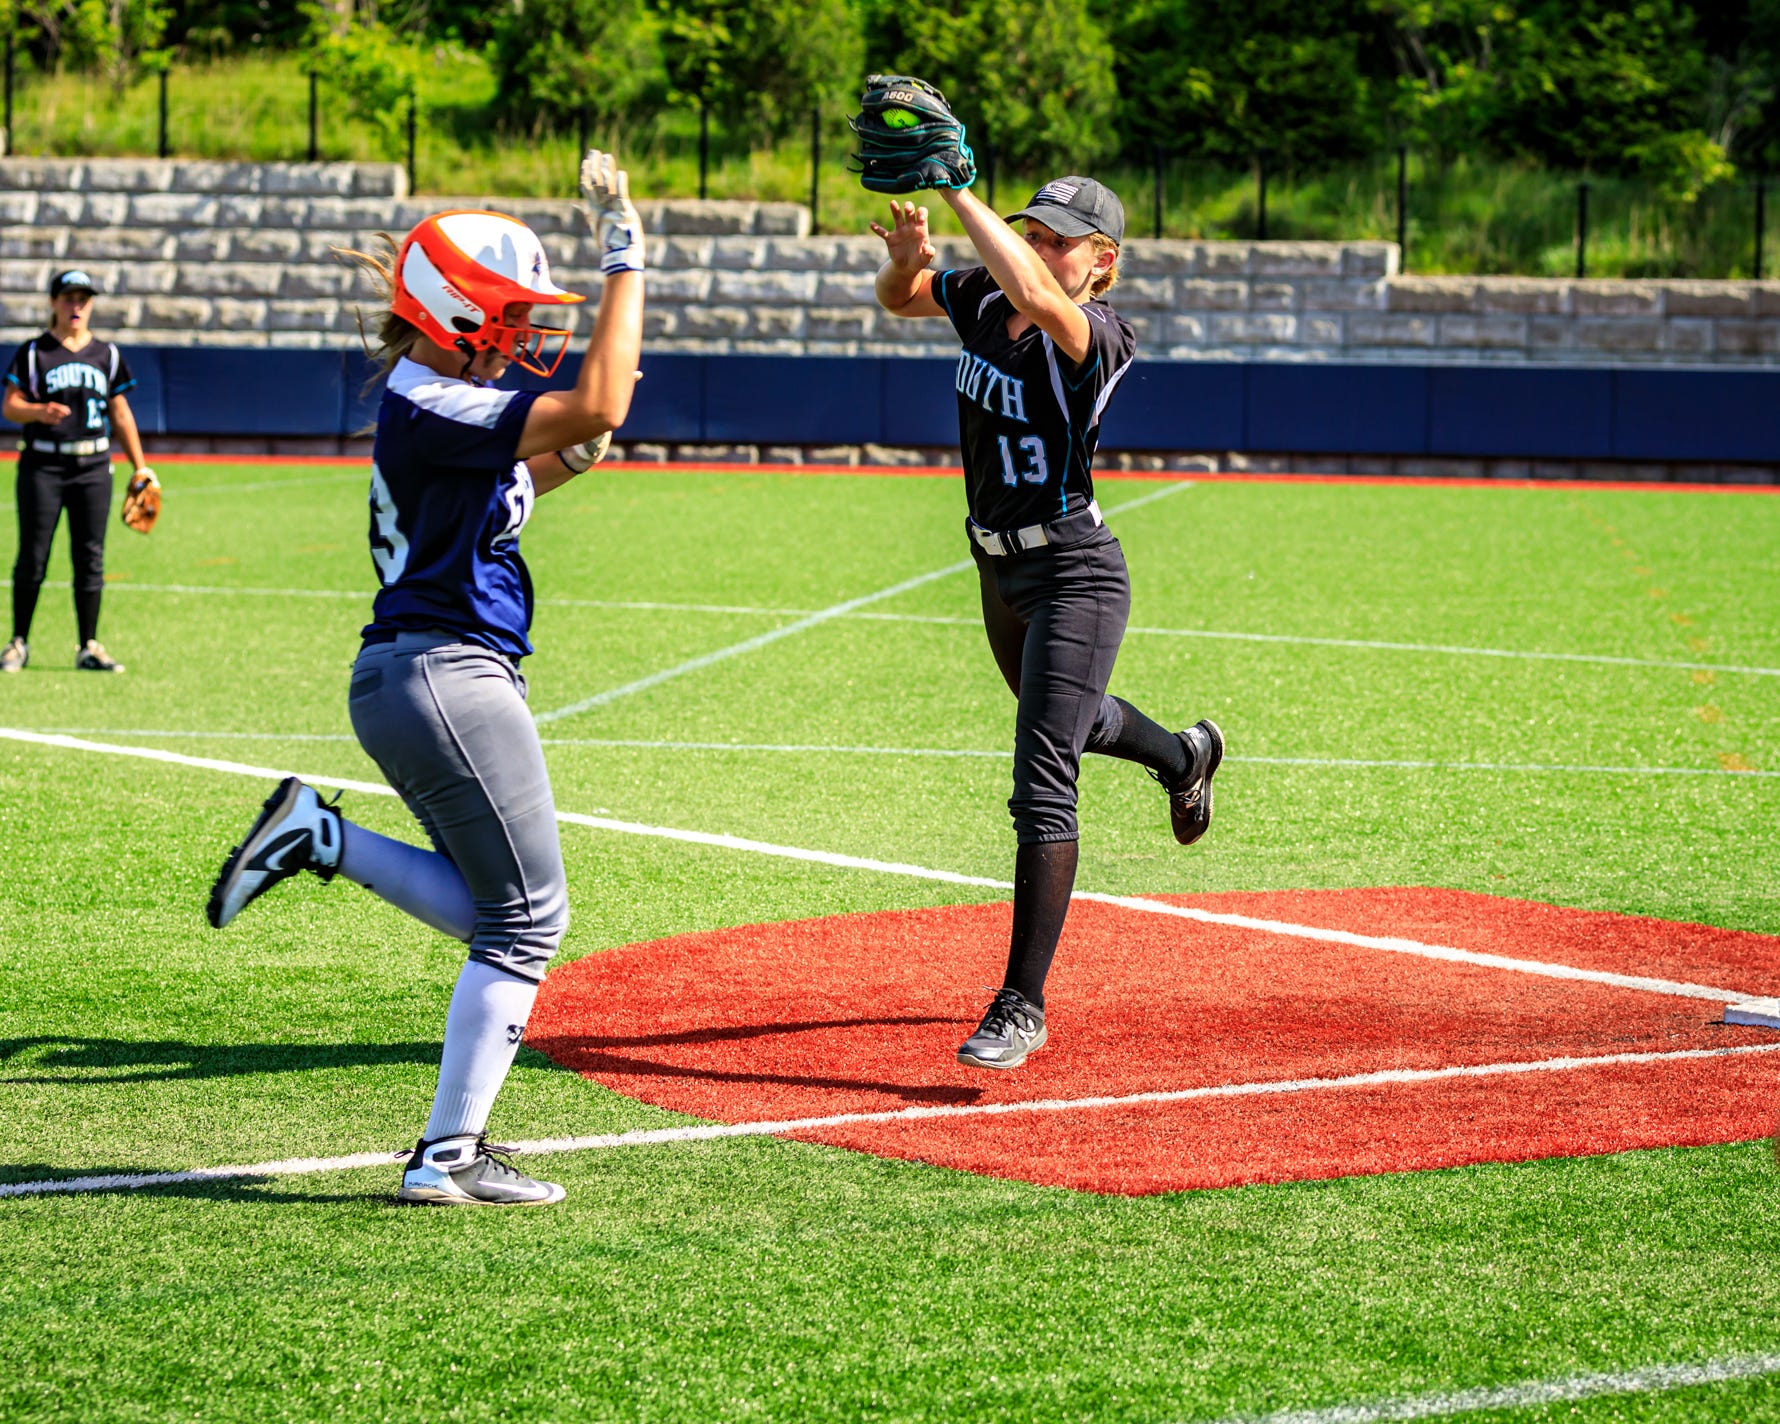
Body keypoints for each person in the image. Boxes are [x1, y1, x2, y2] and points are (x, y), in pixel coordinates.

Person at [203, 152, 646, 1207]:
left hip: (418, 675)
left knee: (500, 910)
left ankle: (321, 836)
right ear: (455, 314)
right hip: (447, 672)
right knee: (529, 921)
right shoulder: (433, 398)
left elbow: (526, 468)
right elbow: (597, 398)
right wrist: (627, 247)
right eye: (511, 315)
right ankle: (446, 1155)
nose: (527, 333)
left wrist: (571, 453)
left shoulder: (430, 397)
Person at [871, 175, 1223, 1071]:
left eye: (1058, 238)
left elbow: (1032, 289)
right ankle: (1186, 756)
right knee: (1069, 717)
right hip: (998, 566)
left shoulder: (1098, 334)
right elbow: (905, 298)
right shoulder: (990, 295)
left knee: (1042, 771)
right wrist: (906, 263)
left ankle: (1019, 1005)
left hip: (1074, 572)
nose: (1036, 246)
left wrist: (956, 193)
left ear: (1102, 263)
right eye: (1029, 228)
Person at [2, 269, 157, 674]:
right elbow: (10, 405)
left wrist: (141, 467)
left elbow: (120, 413)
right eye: (69, 297)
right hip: (43, 464)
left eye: (84, 299)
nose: (77, 306)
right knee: (33, 557)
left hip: (92, 466)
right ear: (54, 302)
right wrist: (39, 412)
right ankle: (18, 642)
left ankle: (88, 645)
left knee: (90, 557)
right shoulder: (36, 352)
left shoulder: (107, 354)